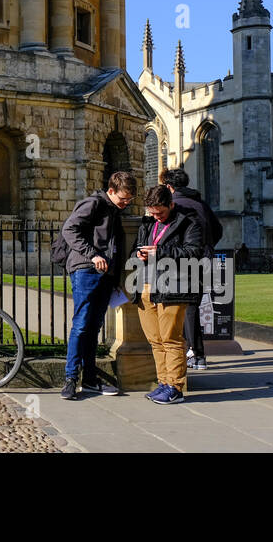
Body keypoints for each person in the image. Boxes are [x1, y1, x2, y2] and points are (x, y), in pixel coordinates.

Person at [59, 170, 135, 400]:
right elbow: (69, 229)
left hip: (106, 275)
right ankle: (71, 378)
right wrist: (92, 255)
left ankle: (90, 379)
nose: (126, 203)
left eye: (130, 200)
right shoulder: (93, 204)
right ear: (111, 191)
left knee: (93, 328)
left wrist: (115, 278)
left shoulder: (113, 209)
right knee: (81, 325)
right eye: (123, 198)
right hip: (86, 270)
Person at [133, 184, 204, 405]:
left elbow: (194, 252)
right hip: (147, 284)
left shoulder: (189, 222)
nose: (156, 216)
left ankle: (175, 387)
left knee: (171, 339)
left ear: (171, 205)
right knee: (155, 340)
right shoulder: (149, 223)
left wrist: (160, 252)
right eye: (152, 212)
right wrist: (138, 253)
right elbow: (137, 247)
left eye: (160, 212)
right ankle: (163, 382)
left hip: (174, 286)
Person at [159, 166, 223, 371]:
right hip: (204, 259)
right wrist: (208, 246)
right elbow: (218, 229)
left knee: (181, 308)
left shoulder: (174, 205)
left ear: (169, 187)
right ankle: (197, 354)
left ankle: (194, 353)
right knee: (192, 306)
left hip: (181, 262)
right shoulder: (201, 204)